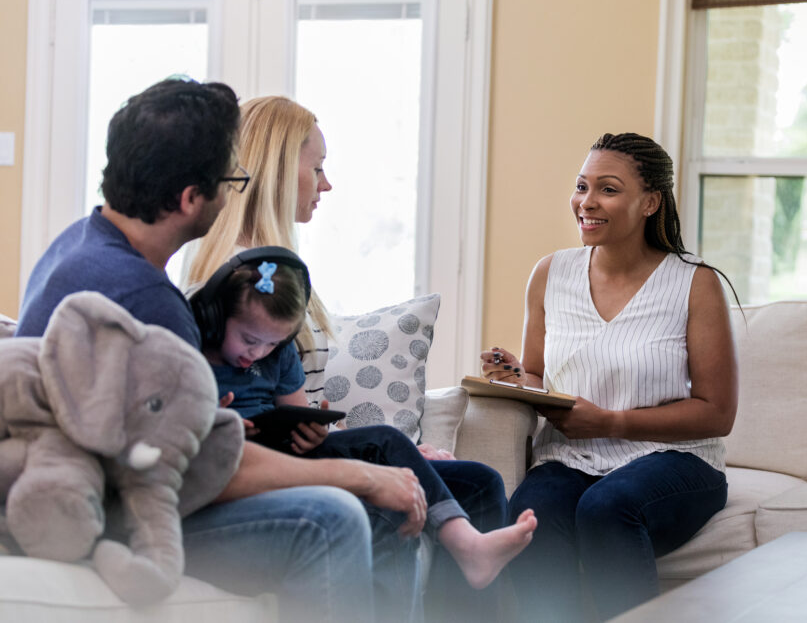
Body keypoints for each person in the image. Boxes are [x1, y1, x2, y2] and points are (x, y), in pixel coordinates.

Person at [16, 77, 428, 623]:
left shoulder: (79, 242)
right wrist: (361, 476)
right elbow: (205, 466)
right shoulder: (145, 300)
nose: (235, 190)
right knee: (330, 516)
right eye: (228, 179)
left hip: (83, 483)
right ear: (190, 199)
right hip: (110, 508)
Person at [183, 95, 520, 621]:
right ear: (275, 171)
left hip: (296, 449)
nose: (326, 183)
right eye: (316, 167)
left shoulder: (285, 281)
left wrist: (399, 458)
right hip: (258, 465)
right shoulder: (227, 293)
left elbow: (302, 408)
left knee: (479, 483)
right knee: (398, 486)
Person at [481, 132, 739, 622]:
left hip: (676, 460)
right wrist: (514, 377)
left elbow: (718, 412)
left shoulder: (695, 283)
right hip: (570, 455)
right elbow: (538, 375)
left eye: (608, 189)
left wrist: (613, 423)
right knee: (530, 517)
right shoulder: (550, 273)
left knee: (606, 507)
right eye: (582, 186)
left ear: (650, 203)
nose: (586, 202)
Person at [195, 251, 536, 589]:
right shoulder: (192, 348)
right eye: (249, 340)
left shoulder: (278, 352)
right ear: (216, 317)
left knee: (385, 439)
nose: (256, 353)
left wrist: (312, 432)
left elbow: (294, 408)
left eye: (270, 344)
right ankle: (466, 544)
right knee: (392, 499)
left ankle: (465, 540)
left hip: (284, 451)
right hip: (233, 457)